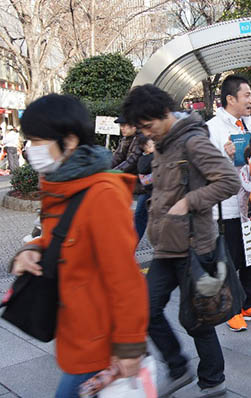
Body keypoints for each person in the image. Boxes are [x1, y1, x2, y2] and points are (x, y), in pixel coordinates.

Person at [10, 94, 149, 397]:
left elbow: (126, 278)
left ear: (69, 140)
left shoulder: (102, 195)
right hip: (73, 333)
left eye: (36, 141)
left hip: (101, 346)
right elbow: (60, 238)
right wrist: (31, 250)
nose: (30, 150)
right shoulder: (60, 186)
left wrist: (128, 346)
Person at [122, 84, 240, 398]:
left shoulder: (192, 141)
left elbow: (230, 181)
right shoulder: (162, 144)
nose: (147, 134)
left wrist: (190, 201)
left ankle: (213, 381)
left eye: (148, 126)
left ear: (163, 114)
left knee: (198, 318)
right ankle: (178, 367)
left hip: (193, 246)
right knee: (146, 310)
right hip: (164, 246)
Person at [206, 75, 251, 332]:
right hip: (229, 209)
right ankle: (231, 308)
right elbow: (204, 169)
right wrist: (223, 157)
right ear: (230, 99)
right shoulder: (213, 128)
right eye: (246, 95)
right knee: (232, 260)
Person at [135, 135, 154, 240]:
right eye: (151, 145)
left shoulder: (144, 157)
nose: (154, 146)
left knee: (140, 217)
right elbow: (142, 169)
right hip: (147, 191)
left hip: (148, 191)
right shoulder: (147, 158)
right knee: (140, 217)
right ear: (145, 148)